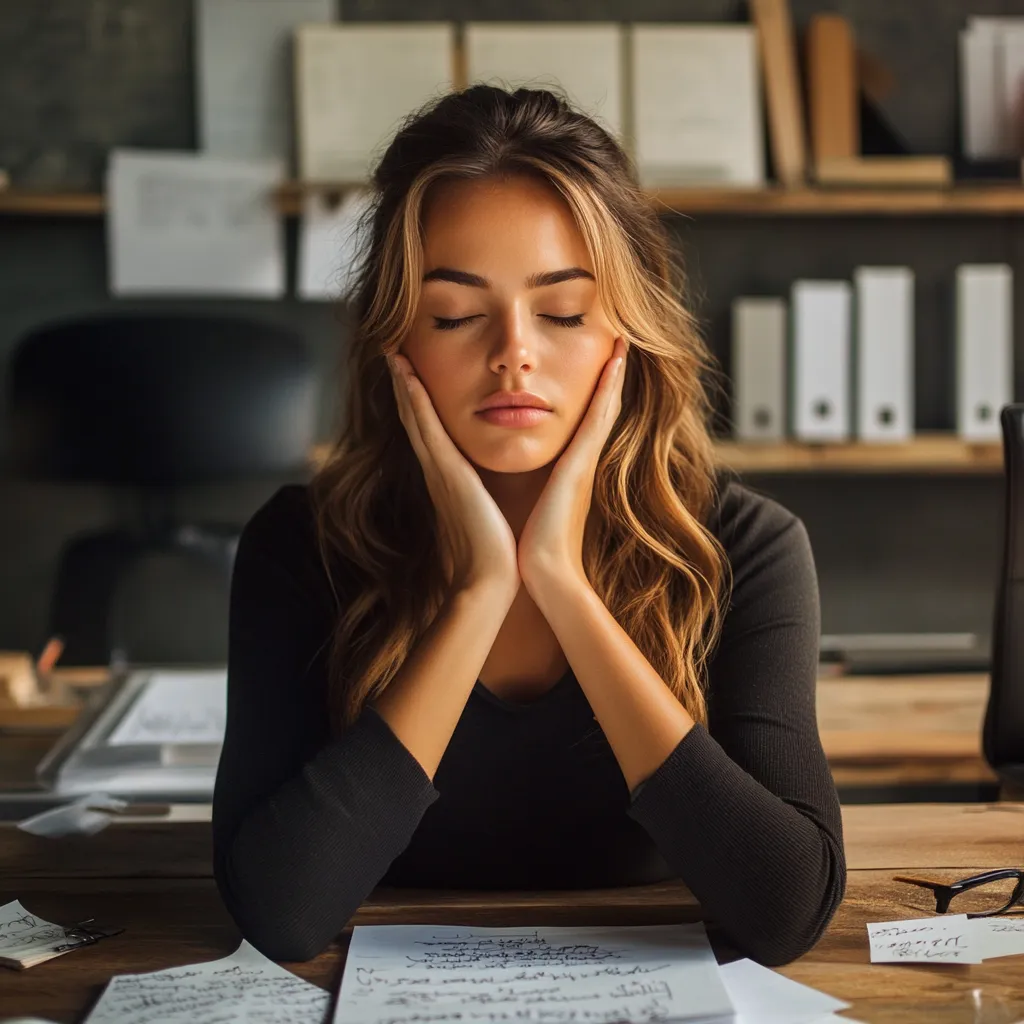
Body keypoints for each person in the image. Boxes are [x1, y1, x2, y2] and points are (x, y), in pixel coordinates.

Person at [212, 85, 846, 968]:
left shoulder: (746, 547)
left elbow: (785, 912)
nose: (514, 350)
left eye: (562, 312)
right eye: (456, 314)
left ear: (628, 328)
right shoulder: (299, 546)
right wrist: (480, 593)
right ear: (395, 341)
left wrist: (559, 579)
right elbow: (278, 915)